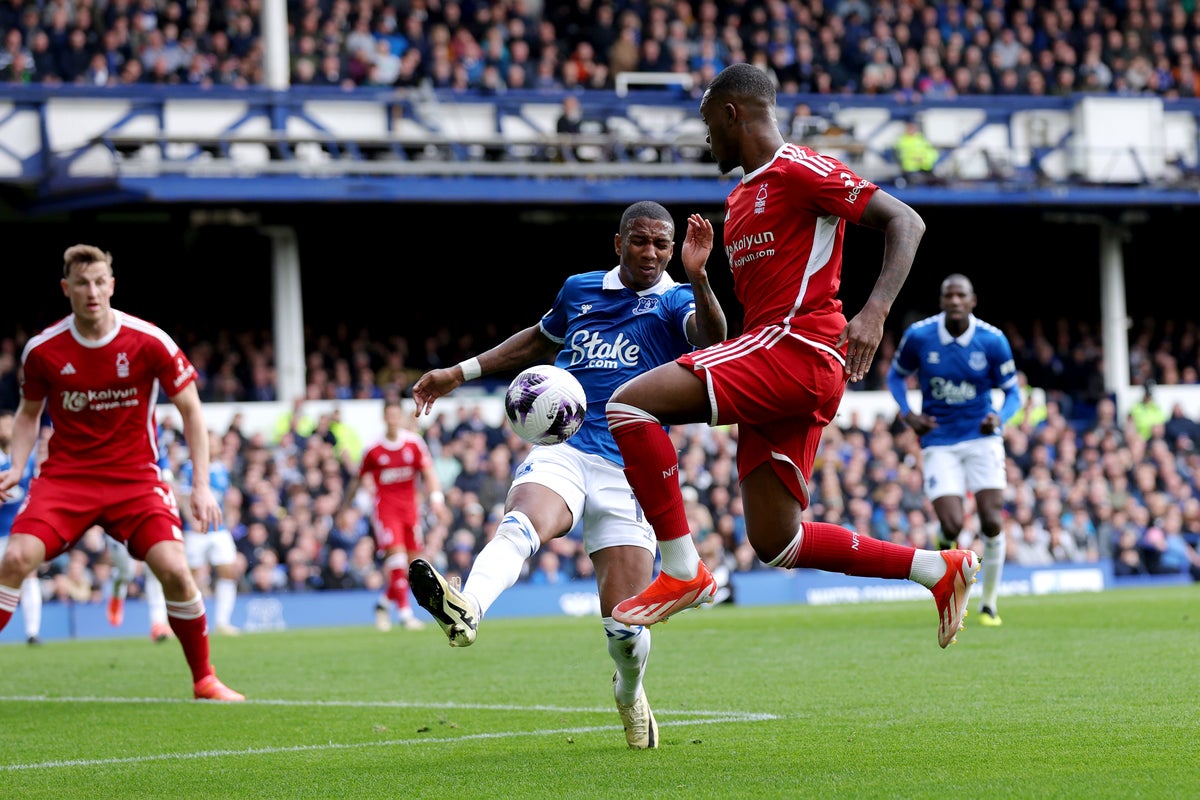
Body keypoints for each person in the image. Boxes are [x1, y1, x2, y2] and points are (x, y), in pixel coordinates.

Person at [603, 63, 981, 650]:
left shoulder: (802, 169)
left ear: (733, 114)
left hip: (798, 349)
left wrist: (875, 311)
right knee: (776, 541)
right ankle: (935, 569)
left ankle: (680, 569)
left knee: (627, 406)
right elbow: (720, 339)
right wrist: (700, 280)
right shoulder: (738, 201)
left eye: (709, 124)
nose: (707, 139)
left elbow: (905, 221)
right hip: (772, 358)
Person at [407, 200, 727, 749]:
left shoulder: (675, 298)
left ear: (674, 250)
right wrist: (458, 373)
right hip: (565, 446)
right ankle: (468, 608)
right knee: (520, 523)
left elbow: (711, 336)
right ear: (618, 242)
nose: (650, 253)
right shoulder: (580, 289)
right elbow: (537, 340)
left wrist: (699, 277)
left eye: (662, 245)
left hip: (631, 465)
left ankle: (629, 693)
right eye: (640, 241)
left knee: (625, 626)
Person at [0, 244, 243, 701]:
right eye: (82, 283)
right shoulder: (43, 350)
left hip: (135, 479)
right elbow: (29, 413)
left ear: (111, 285)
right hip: (66, 479)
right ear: (66, 288)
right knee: (14, 560)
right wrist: (17, 465)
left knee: (174, 568)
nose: (92, 291)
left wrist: (203, 483)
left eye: (99, 282)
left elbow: (191, 410)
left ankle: (204, 679)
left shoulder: (150, 340)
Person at [886, 274, 1021, 626]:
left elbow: (1014, 393)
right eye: (950, 295)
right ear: (942, 300)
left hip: (981, 438)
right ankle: (945, 557)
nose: (956, 300)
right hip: (940, 440)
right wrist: (908, 413)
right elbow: (895, 376)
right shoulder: (920, 335)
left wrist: (999, 418)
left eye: (962, 295)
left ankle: (988, 604)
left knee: (992, 520)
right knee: (952, 523)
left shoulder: (992, 340)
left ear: (972, 301)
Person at [340, 398, 445, 632]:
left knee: (413, 566)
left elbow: (429, 472)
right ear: (384, 417)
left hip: (410, 512)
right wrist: (345, 508)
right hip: (385, 511)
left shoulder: (414, 444)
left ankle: (383, 603)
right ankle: (406, 615)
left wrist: (437, 498)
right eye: (389, 415)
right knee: (396, 560)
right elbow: (358, 477)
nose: (393, 419)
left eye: (397, 415)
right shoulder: (374, 448)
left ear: (401, 417)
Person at [176, 429, 242, 635]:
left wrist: (230, 519)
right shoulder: (189, 468)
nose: (214, 446)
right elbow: (184, 498)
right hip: (196, 531)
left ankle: (222, 622)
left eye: (216, 443)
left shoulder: (222, 469)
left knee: (228, 571)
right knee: (193, 577)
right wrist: (191, 521)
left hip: (219, 529)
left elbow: (225, 498)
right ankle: (194, 624)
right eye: (210, 442)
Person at [0, 408, 43, 645]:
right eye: (2, 425)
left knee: (29, 577)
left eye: (9, 424)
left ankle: (32, 632)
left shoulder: (26, 458)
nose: (6, 429)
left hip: (20, 530)